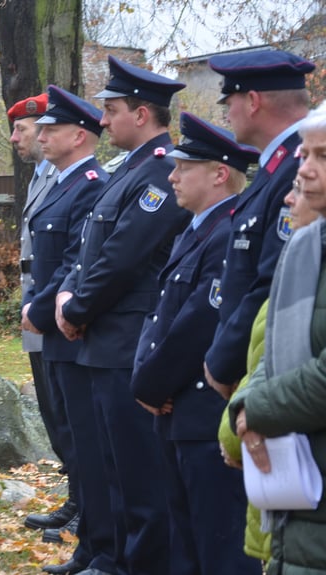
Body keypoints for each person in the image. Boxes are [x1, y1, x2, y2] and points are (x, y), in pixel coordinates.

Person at [56, 55, 190, 575]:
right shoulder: (128, 170)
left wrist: (79, 307)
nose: (103, 120)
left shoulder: (161, 171)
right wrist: (67, 298)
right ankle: (110, 557)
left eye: (111, 110)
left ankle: (136, 564)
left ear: (141, 114)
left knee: (138, 474)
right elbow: (92, 248)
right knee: (109, 466)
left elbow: (125, 256)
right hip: (100, 338)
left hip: (126, 339)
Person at [130, 112, 262, 575]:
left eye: (183, 168)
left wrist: (150, 383)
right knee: (185, 544)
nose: (171, 177)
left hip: (204, 414)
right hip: (177, 413)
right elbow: (160, 312)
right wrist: (146, 379)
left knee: (219, 546)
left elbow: (199, 323)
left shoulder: (227, 233)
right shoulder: (197, 229)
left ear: (219, 173)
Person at [228, 100, 326, 574]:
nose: (304, 172)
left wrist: (256, 409)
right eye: (304, 155)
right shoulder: (307, 246)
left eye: (320, 157)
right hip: (302, 506)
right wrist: (246, 408)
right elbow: (274, 350)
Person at [20, 85, 112, 575]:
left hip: (67, 325)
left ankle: (92, 533)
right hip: (50, 323)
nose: (43, 135)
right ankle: (87, 530)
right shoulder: (59, 181)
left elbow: (79, 258)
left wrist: (40, 306)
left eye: (52, 129)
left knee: (84, 435)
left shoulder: (91, 182)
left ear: (79, 135)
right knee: (66, 424)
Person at [203, 51, 314, 401]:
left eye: (228, 100)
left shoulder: (299, 169)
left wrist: (224, 361)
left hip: (273, 374)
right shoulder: (277, 167)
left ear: (252, 101)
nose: (226, 112)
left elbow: (274, 281)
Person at [8, 92, 71, 532]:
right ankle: (77, 498)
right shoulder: (38, 177)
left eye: (22, 130)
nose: (16, 138)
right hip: (37, 307)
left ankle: (84, 503)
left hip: (53, 309)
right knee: (52, 410)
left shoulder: (65, 178)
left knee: (66, 411)